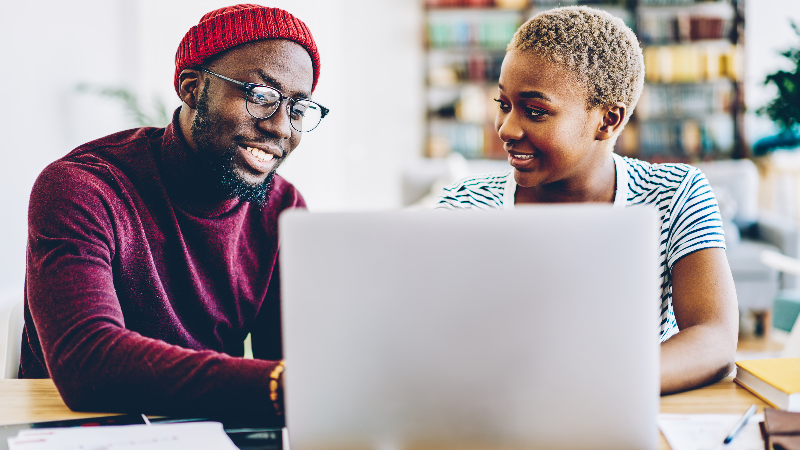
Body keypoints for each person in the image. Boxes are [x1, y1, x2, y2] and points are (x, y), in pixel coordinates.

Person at [20, 4, 328, 423]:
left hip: (208, 429)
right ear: (192, 88)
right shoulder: (84, 188)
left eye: (297, 109)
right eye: (261, 97)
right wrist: (277, 386)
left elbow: (295, 368)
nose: (280, 128)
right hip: (78, 432)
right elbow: (87, 363)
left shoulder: (282, 209)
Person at [437, 6, 738, 395]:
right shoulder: (466, 205)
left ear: (608, 120)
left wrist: (588, 387)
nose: (507, 129)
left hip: (620, 416)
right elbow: (431, 339)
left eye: (535, 111)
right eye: (504, 104)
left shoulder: (674, 194)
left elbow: (713, 338)